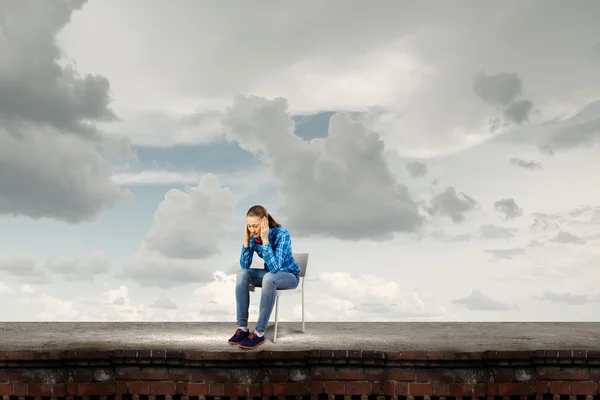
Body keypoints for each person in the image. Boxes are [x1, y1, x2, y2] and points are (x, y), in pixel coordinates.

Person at [228, 205, 301, 349]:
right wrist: (246, 241)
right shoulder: (253, 238)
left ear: (264, 222)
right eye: (249, 226)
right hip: (270, 276)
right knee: (242, 274)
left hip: (289, 277)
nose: (252, 230)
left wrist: (265, 240)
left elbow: (275, 268)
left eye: (255, 226)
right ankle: (242, 328)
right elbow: (245, 265)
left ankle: (259, 333)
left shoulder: (282, 235)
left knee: (269, 277)